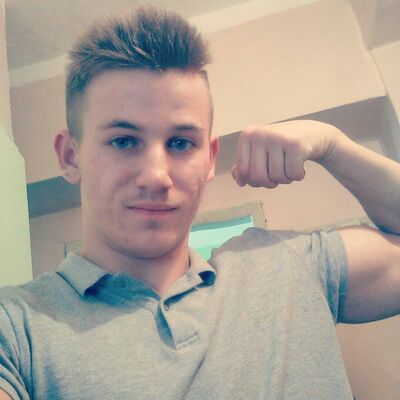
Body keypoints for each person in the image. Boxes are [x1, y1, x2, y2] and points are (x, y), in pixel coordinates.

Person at [0, 6, 399, 400]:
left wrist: (333, 145)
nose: (157, 176)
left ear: (209, 159)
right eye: (123, 141)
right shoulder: (16, 328)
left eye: (180, 143)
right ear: (70, 156)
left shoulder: (290, 264)